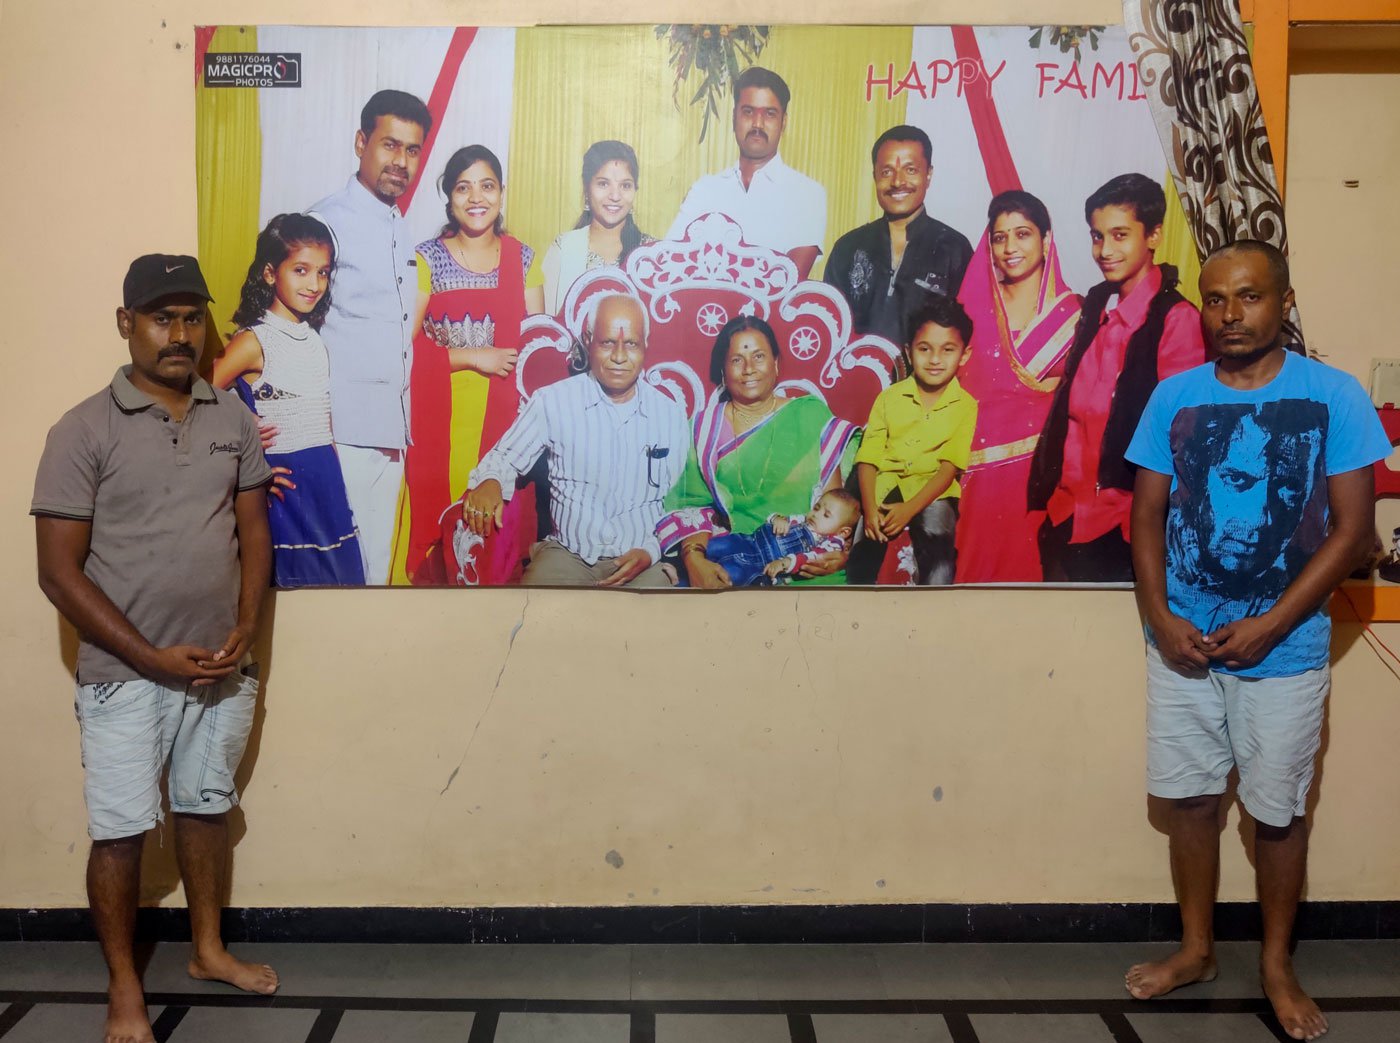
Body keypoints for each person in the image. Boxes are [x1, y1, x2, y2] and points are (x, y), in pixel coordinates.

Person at [1123, 241, 1389, 1042]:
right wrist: (1164, 618)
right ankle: (1198, 948)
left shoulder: (1334, 398)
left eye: (1248, 297)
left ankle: (1276, 963)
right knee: (1194, 801)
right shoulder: (1174, 396)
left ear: (1283, 300)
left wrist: (1274, 622)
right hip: (1183, 647)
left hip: (1289, 650)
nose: (1229, 315)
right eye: (1214, 300)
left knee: (1277, 814)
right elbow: (1144, 520)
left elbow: (1353, 534)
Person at [31, 255, 278, 1043]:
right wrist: (146, 655)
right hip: (123, 675)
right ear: (125, 324)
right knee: (122, 828)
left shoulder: (232, 419)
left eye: (191, 318)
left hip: (218, 665)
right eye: (160, 317)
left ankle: (207, 949)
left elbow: (254, 533)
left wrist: (244, 625)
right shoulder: (82, 429)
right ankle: (124, 989)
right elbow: (58, 573)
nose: (179, 334)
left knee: (205, 808)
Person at [1026, 173, 1205, 582]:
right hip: (1064, 515)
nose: (1104, 250)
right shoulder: (1095, 308)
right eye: (1096, 236)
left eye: (1120, 235)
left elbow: (1183, 438)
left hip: (1125, 525)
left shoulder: (1176, 320)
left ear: (1154, 235)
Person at [461, 293, 687, 587]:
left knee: (655, 621)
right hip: (568, 555)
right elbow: (503, 459)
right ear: (588, 340)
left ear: (645, 344)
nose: (619, 356)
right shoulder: (553, 402)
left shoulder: (669, 415)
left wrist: (651, 551)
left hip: (642, 561)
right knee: (536, 611)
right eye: (607, 343)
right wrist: (490, 482)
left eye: (630, 343)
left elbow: (681, 503)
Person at [308, 89, 431, 585]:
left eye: (412, 150)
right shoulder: (324, 222)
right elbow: (289, 326)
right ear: (362, 142)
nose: (400, 162)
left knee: (375, 575)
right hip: (341, 437)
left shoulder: (399, 225)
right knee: (334, 578)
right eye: (389, 145)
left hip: (390, 435)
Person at [406, 144, 545, 583]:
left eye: (486, 186)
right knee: (436, 552)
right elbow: (402, 350)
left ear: (502, 193)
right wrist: (473, 357)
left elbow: (538, 354)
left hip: (504, 428)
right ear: (448, 196)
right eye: (463, 187)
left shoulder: (524, 259)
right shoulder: (425, 258)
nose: (476, 198)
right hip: (438, 422)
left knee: (491, 555)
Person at [214, 213, 366, 587]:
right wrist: (241, 428)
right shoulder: (254, 340)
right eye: (301, 270)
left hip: (323, 477)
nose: (314, 284)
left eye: (323, 272)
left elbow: (322, 423)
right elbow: (201, 398)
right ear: (270, 273)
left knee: (338, 589)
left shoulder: (314, 339)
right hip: (284, 486)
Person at [656, 315, 861, 587]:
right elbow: (691, 507)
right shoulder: (705, 429)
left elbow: (834, 506)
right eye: (737, 360)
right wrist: (695, 562)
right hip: (731, 559)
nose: (749, 368)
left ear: (776, 364)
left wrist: (839, 556)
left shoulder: (809, 415)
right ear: (723, 371)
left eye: (759, 356)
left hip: (803, 564)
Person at [955, 190, 1082, 583]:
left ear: (1046, 241)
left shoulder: (1075, 315)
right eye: (999, 236)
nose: (1010, 247)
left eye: (1022, 234)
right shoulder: (968, 310)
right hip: (970, 476)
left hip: (1038, 479)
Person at [848, 296, 979, 585]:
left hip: (932, 492)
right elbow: (868, 458)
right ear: (908, 352)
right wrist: (869, 509)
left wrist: (910, 508)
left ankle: (934, 607)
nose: (934, 360)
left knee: (939, 543)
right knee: (862, 550)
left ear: (964, 355)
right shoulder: (888, 398)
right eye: (924, 349)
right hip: (885, 485)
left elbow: (948, 469)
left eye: (947, 350)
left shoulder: (966, 406)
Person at [666, 67, 826, 280]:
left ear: (783, 122)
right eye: (748, 111)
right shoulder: (704, 189)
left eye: (769, 114)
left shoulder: (807, 195)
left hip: (771, 313)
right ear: (734, 118)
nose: (757, 124)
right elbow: (670, 261)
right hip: (705, 311)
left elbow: (789, 281)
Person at [824, 125, 973, 345]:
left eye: (910, 170)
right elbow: (829, 323)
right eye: (886, 172)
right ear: (875, 175)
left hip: (923, 378)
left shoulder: (955, 249)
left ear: (928, 174)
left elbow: (966, 332)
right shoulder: (848, 247)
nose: (897, 182)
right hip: (853, 375)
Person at [542, 140, 657, 314]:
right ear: (587, 188)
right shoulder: (564, 249)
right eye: (603, 184)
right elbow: (548, 328)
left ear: (635, 190)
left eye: (625, 185)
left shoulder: (651, 253)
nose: (615, 196)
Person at [705, 488, 860, 586]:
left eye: (826, 515)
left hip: (762, 564)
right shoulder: (804, 521)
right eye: (816, 508)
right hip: (750, 542)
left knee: (732, 573)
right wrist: (778, 519)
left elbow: (811, 557)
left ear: (843, 532)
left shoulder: (831, 543)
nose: (816, 514)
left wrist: (785, 563)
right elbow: (777, 516)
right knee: (716, 546)